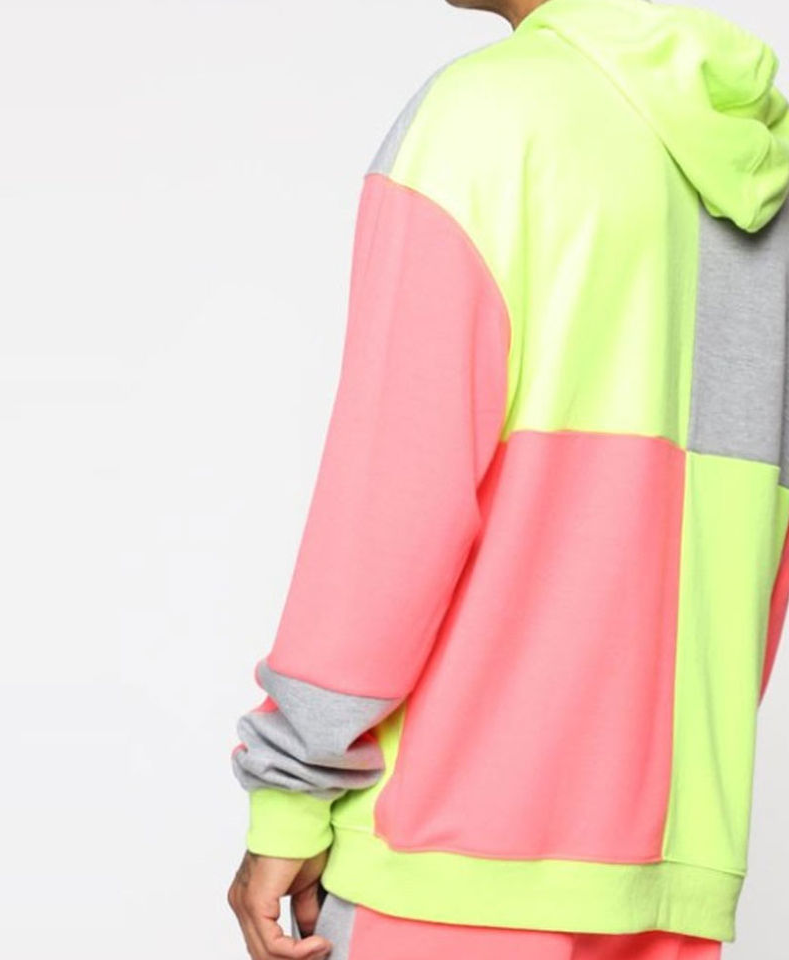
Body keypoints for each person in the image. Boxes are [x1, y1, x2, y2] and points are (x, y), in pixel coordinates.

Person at [226, 0, 789, 957]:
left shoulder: (485, 114)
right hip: (666, 865)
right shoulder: (755, 158)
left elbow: (394, 497)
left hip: (447, 852)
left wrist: (292, 789)